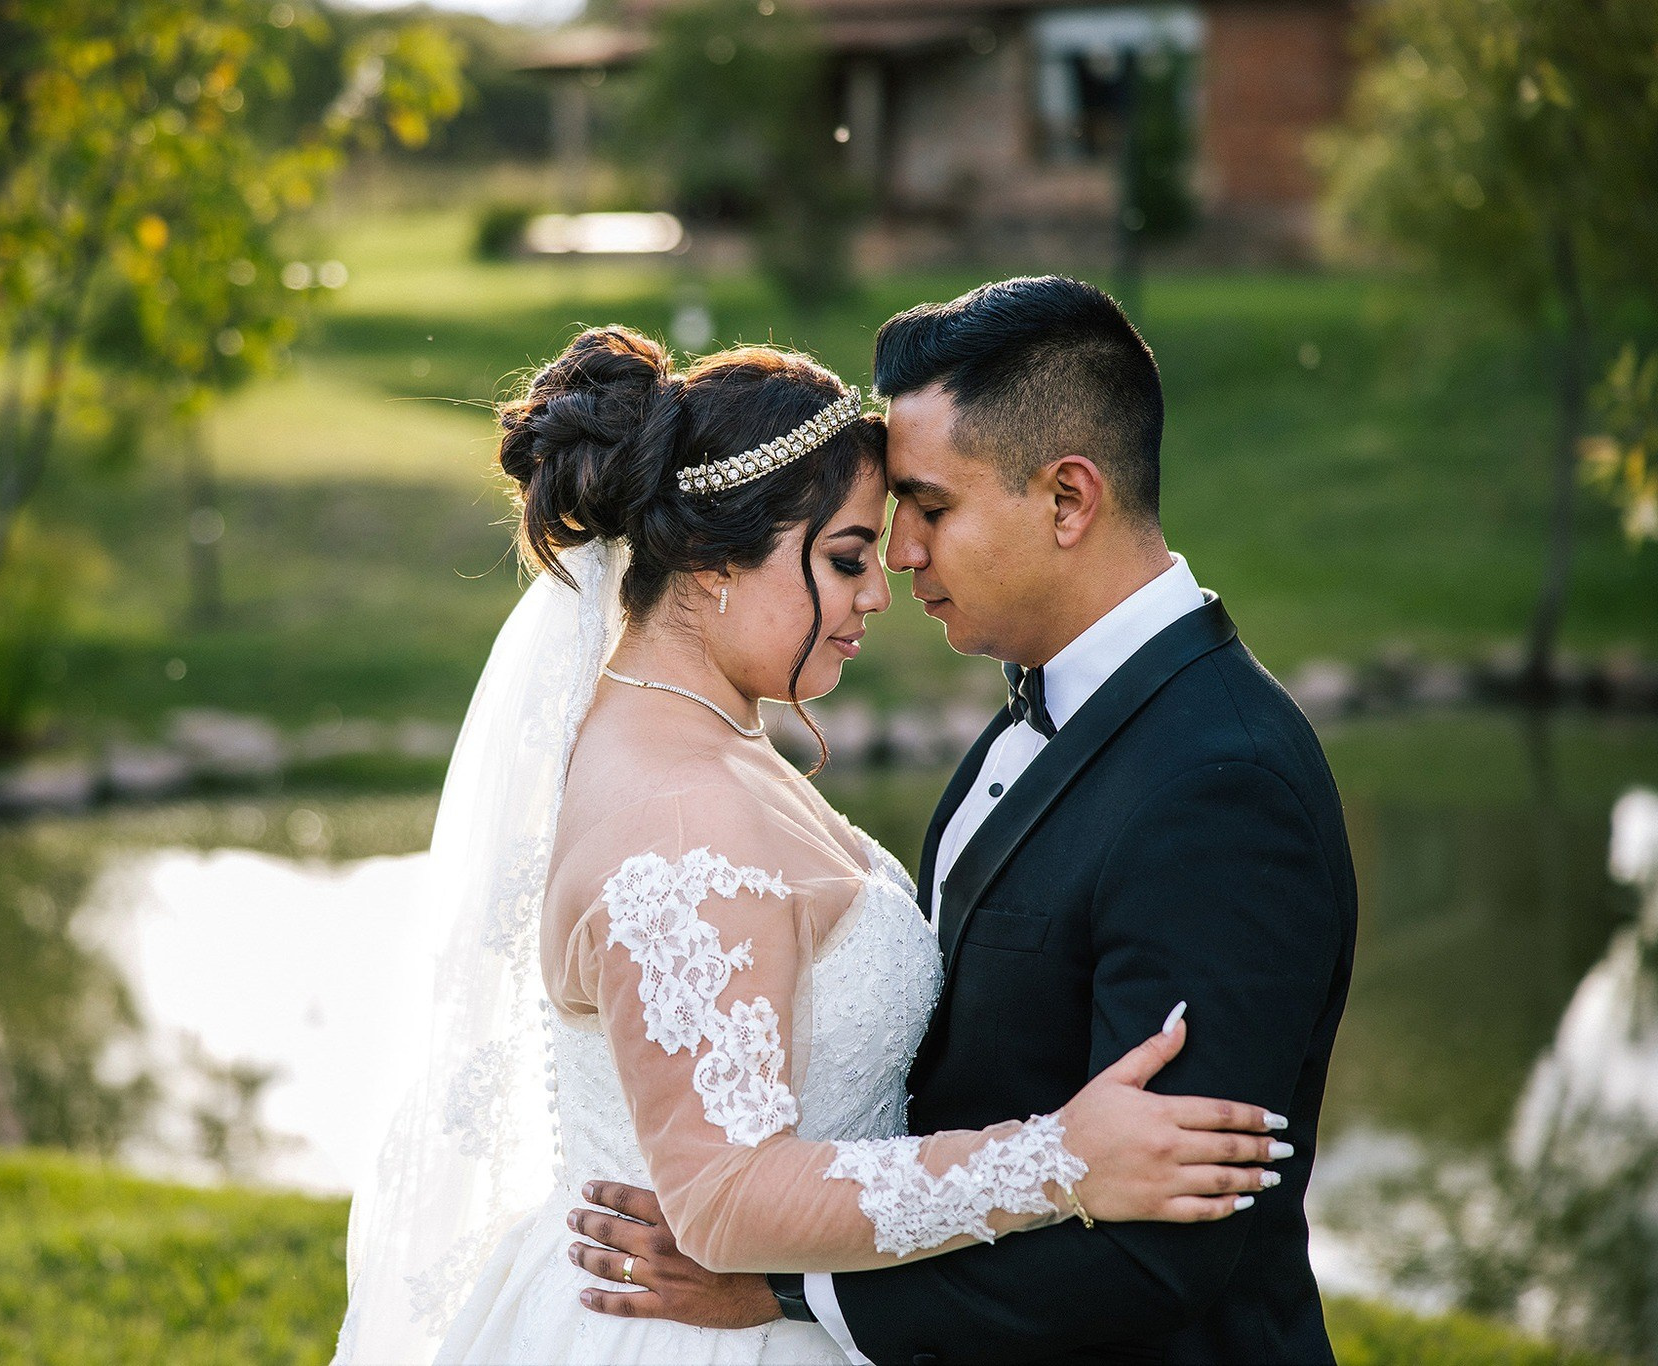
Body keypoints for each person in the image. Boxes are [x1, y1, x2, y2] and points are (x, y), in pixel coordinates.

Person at [332, 311, 1306, 1366]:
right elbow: (722, 1195)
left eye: (910, 520)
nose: (882, 585)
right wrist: (1052, 1160)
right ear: (709, 564)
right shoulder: (677, 822)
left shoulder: (702, 738)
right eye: (846, 557)